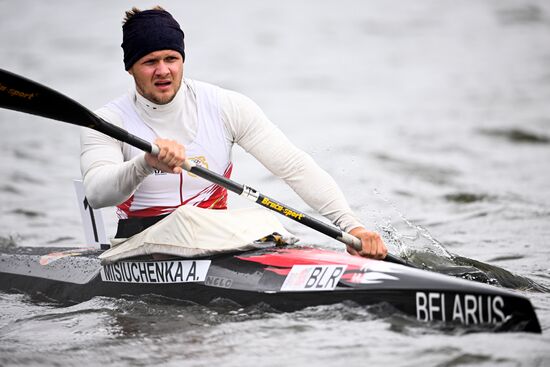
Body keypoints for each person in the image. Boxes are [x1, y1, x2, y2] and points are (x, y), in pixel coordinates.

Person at [80, 6, 387, 259]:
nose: (163, 71)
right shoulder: (108, 121)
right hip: (138, 246)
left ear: (182, 59)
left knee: (266, 220)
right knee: (188, 220)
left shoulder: (226, 106)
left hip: (217, 240)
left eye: (171, 59)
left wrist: (352, 227)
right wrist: (144, 164)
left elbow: (294, 167)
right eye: (150, 62)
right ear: (130, 68)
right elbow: (95, 193)